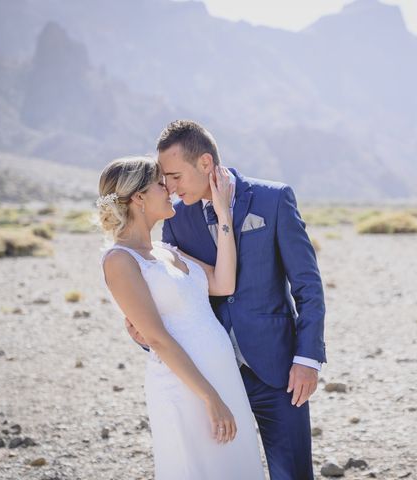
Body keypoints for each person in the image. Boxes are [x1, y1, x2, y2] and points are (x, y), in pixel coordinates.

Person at [126, 120, 327, 479]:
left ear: (205, 164)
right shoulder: (176, 217)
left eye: (175, 176)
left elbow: (308, 287)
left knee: (292, 474)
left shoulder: (273, 199)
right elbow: (177, 289)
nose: (169, 188)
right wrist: (146, 337)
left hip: (279, 373)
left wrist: (308, 358)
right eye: (164, 180)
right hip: (213, 376)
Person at [98, 156, 265, 479]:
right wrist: (210, 397)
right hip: (186, 388)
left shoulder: (167, 251)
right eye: (161, 185)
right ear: (139, 197)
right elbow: (157, 338)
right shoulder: (120, 260)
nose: (170, 190)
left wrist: (223, 214)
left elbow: (223, 282)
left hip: (222, 377)